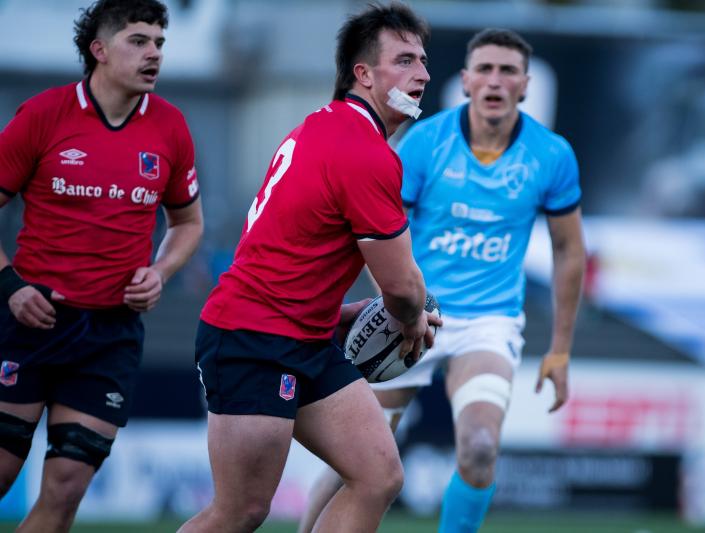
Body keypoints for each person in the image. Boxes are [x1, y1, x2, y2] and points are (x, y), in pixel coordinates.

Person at [299, 28, 586, 533]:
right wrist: (396, 311)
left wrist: (560, 350)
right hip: (415, 313)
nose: (495, 81)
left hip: (488, 323)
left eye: (508, 71)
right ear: (466, 79)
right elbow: (375, 236)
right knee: (358, 460)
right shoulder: (425, 142)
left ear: (525, 84)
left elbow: (569, 250)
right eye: (486, 69)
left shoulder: (552, 155)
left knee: (479, 448)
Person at [178, 3, 440, 533]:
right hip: (252, 336)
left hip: (303, 334)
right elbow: (402, 286)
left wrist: (337, 312)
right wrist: (411, 320)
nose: (424, 75)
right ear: (363, 75)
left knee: (378, 474)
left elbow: (290, 249)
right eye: (406, 60)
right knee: (239, 512)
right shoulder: (362, 150)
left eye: (424, 61)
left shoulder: (323, 127)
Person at [0, 1, 203, 531]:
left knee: (65, 491)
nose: (154, 53)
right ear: (100, 50)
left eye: (159, 42)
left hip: (109, 336)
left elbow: (188, 224)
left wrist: (160, 271)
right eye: (139, 41)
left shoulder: (170, 128)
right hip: (28, 323)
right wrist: (9, 286)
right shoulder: (43, 116)